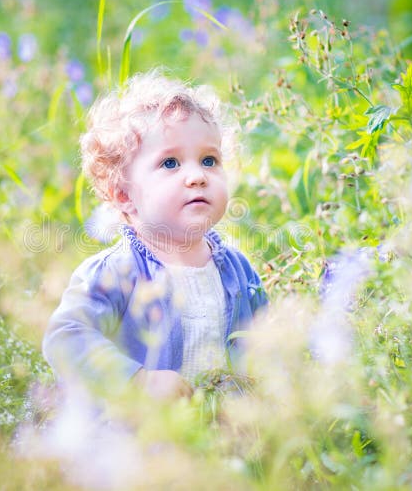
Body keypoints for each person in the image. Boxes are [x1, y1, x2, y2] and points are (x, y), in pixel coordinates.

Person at [42, 69, 267, 400]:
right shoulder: (116, 273)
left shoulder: (238, 269)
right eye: (171, 163)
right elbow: (66, 337)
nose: (197, 176)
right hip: (139, 436)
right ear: (123, 194)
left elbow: (268, 341)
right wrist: (136, 380)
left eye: (209, 160)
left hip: (225, 438)